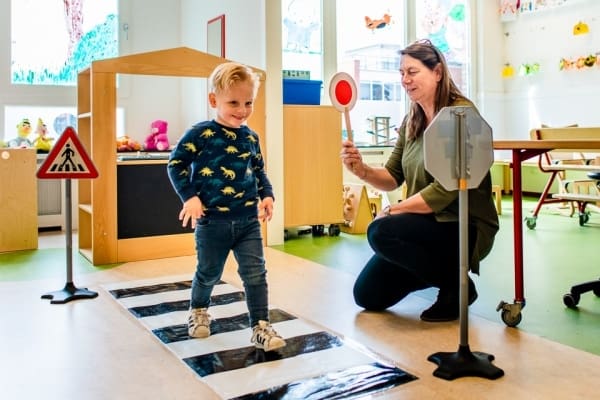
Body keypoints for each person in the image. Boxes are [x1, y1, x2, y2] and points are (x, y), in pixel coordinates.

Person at [340, 39, 499, 322]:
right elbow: (391, 177)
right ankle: (442, 273)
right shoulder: (412, 119)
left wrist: (395, 210)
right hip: (424, 227)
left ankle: (455, 288)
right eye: (401, 73)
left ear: (437, 72)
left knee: (381, 231)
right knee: (367, 296)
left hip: (462, 225)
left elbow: (443, 192)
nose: (404, 80)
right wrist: (361, 169)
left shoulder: (461, 115)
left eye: (412, 72)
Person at [167, 62, 286, 351]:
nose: (242, 110)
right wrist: (190, 197)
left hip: (247, 221)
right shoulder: (200, 134)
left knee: (255, 274)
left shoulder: (249, 137)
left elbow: (258, 170)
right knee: (209, 272)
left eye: (248, 103)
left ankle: (260, 325)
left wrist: (267, 195)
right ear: (213, 100)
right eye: (233, 102)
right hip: (212, 223)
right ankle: (198, 310)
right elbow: (176, 164)